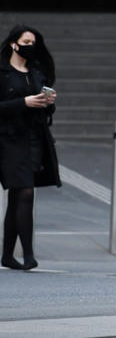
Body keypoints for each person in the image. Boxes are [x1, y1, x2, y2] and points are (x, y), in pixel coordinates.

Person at [0, 25, 60, 271]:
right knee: (25, 192)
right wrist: (23, 103)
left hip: (33, 138)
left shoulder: (36, 73)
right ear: (14, 44)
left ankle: (6, 255)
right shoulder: (2, 73)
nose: (30, 46)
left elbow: (46, 110)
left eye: (33, 42)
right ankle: (28, 254)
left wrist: (48, 102)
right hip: (8, 140)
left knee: (17, 196)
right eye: (26, 41)